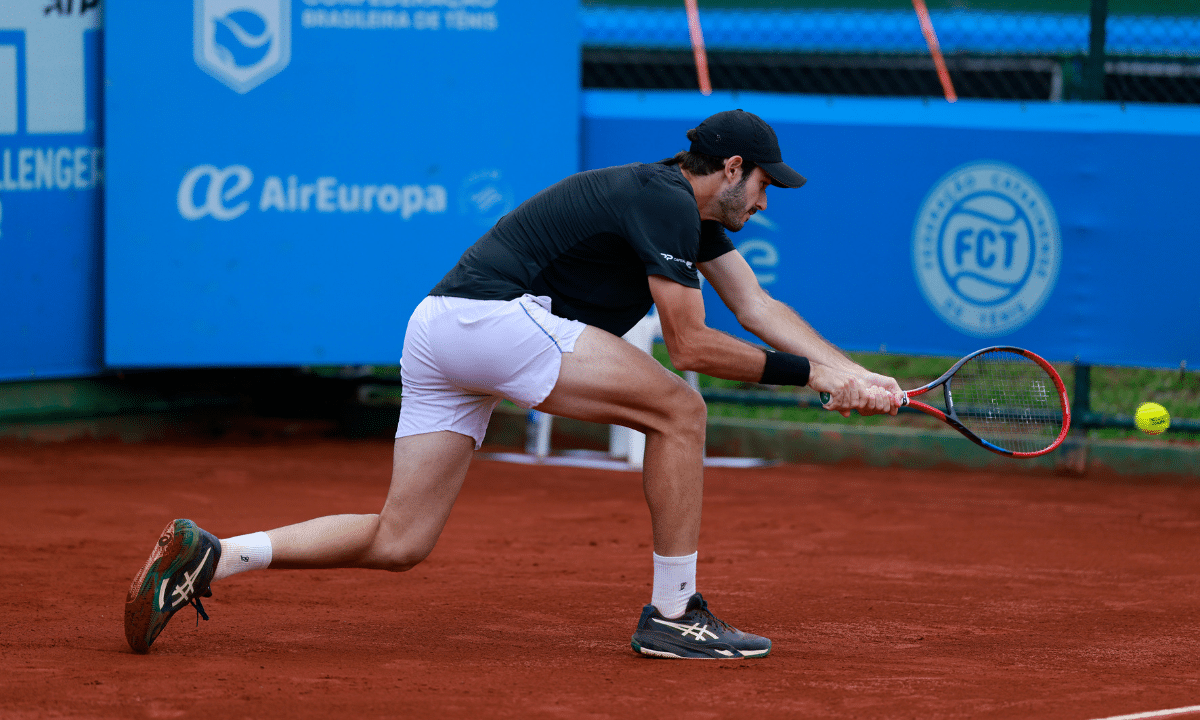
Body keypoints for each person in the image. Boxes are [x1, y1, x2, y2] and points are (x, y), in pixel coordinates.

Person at [125, 109, 902, 659]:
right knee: (680, 409)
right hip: (493, 320)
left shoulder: (681, 210)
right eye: (765, 183)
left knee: (401, 540)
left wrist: (851, 372)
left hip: (438, 329)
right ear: (731, 169)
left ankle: (214, 556)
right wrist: (811, 381)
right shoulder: (663, 198)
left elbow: (758, 306)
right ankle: (673, 613)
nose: (766, 201)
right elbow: (691, 345)